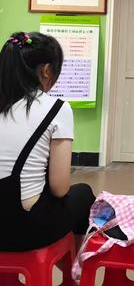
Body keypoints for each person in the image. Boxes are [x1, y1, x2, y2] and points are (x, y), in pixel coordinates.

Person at [0, 31, 95, 252]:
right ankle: (74, 271)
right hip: (21, 228)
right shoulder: (57, 108)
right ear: (46, 70)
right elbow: (59, 188)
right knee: (84, 194)